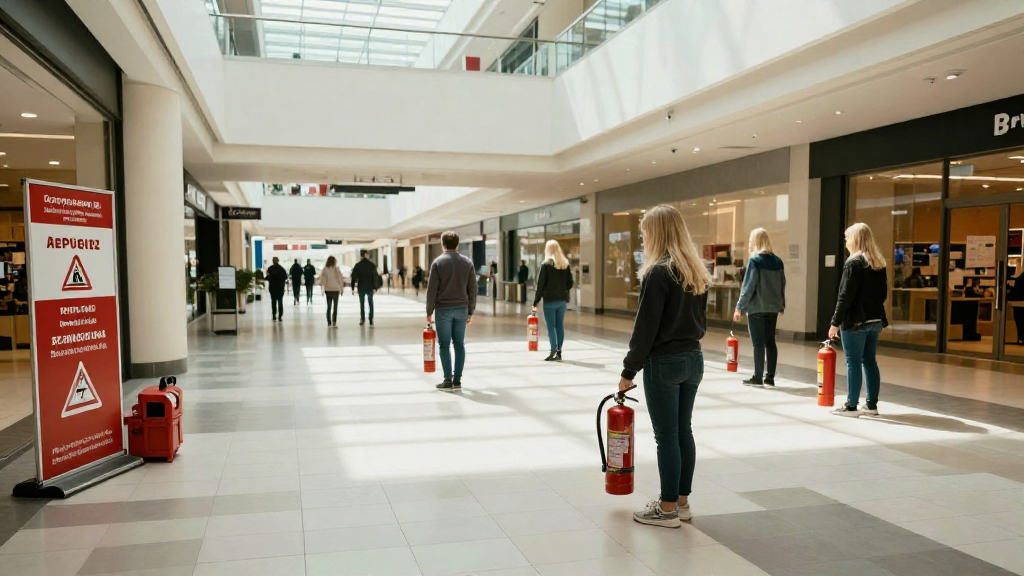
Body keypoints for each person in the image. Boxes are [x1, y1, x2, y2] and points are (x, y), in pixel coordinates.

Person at [618, 205, 708, 528]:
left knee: (666, 436)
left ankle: (666, 508)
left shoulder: (658, 272)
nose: (643, 238)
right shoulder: (696, 271)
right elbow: (702, 322)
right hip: (693, 359)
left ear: (656, 233)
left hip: (664, 364)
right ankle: (682, 502)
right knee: (684, 430)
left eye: (645, 232)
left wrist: (629, 371)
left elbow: (645, 329)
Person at [829, 223, 889, 417]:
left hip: (855, 321)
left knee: (853, 362)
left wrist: (834, 323)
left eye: (847, 238)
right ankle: (871, 405)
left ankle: (851, 405)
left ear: (854, 239)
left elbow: (845, 296)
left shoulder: (853, 263)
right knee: (869, 361)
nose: (846, 243)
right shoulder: (878, 263)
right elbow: (883, 294)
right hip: (875, 320)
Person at [733, 228, 786, 387]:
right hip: (773, 308)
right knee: (770, 341)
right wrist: (781, 304)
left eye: (751, 240)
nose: (749, 243)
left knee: (758, 343)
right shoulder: (778, 261)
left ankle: (757, 377)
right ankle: (770, 377)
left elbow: (749, 286)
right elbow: (782, 285)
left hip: (757, 307)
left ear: (756, 241)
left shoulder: (754, 260)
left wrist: (739, 307)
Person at [426, 231, 477, 392]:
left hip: (443, 310)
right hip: (462, 309)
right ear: (457, 244)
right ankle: (457, 380)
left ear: (442, 244)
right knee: (459, 344)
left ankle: (447, 380)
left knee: (444, 344)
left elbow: (431, 290)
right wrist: (471, 311)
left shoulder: (438, 263)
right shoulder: (467, 263)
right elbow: (472, 289)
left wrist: (429, 311)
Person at [532, 240, 574, 362]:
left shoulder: (545, 265)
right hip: (562, 301)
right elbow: (570, 283)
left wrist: (535, 302)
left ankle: (553, 351)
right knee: (559, 325)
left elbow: (540, 285)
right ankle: (559, 351)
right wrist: (562, 289)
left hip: (550, 301)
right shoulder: (565, 265)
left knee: (551, 327)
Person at [351, 251, 379, 326]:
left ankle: (362, 319)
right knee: (370, 302)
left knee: (362, 303)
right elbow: (375, 276)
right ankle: (371, 319)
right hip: (370, 286)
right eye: (368, 254)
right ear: (365, 255)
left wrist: (353, 287)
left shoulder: (358, 265)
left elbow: (353, 277)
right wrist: (375, 287)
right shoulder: (372, 265)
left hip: (361, 286)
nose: (369, 256)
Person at [318, 256, 344, 327]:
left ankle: (329, 321)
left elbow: (323, 280)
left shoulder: (325, 269)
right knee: (335, 306)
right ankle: (334, 321)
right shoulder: (336, 269)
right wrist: (341, 289)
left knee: (329, 306)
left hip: (328, 290)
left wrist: (322, 289)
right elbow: (340, 279)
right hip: (335, 290)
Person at [265, 257, 288, 322]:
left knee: (273, 302)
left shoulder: (270, 268)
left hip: (272, 288)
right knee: (280, 302)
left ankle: (274, 315)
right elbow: (285, 277)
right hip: (280, 288)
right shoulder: (281, 269)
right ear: (278, 261)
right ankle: (280, 316)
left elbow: (267, 277)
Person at [1009, 267, 1024, 345]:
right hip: (1020, 301)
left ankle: (1021, 337)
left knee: (1019, 318)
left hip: (1019, 302)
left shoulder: (1020, 279)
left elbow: (1016, 292)